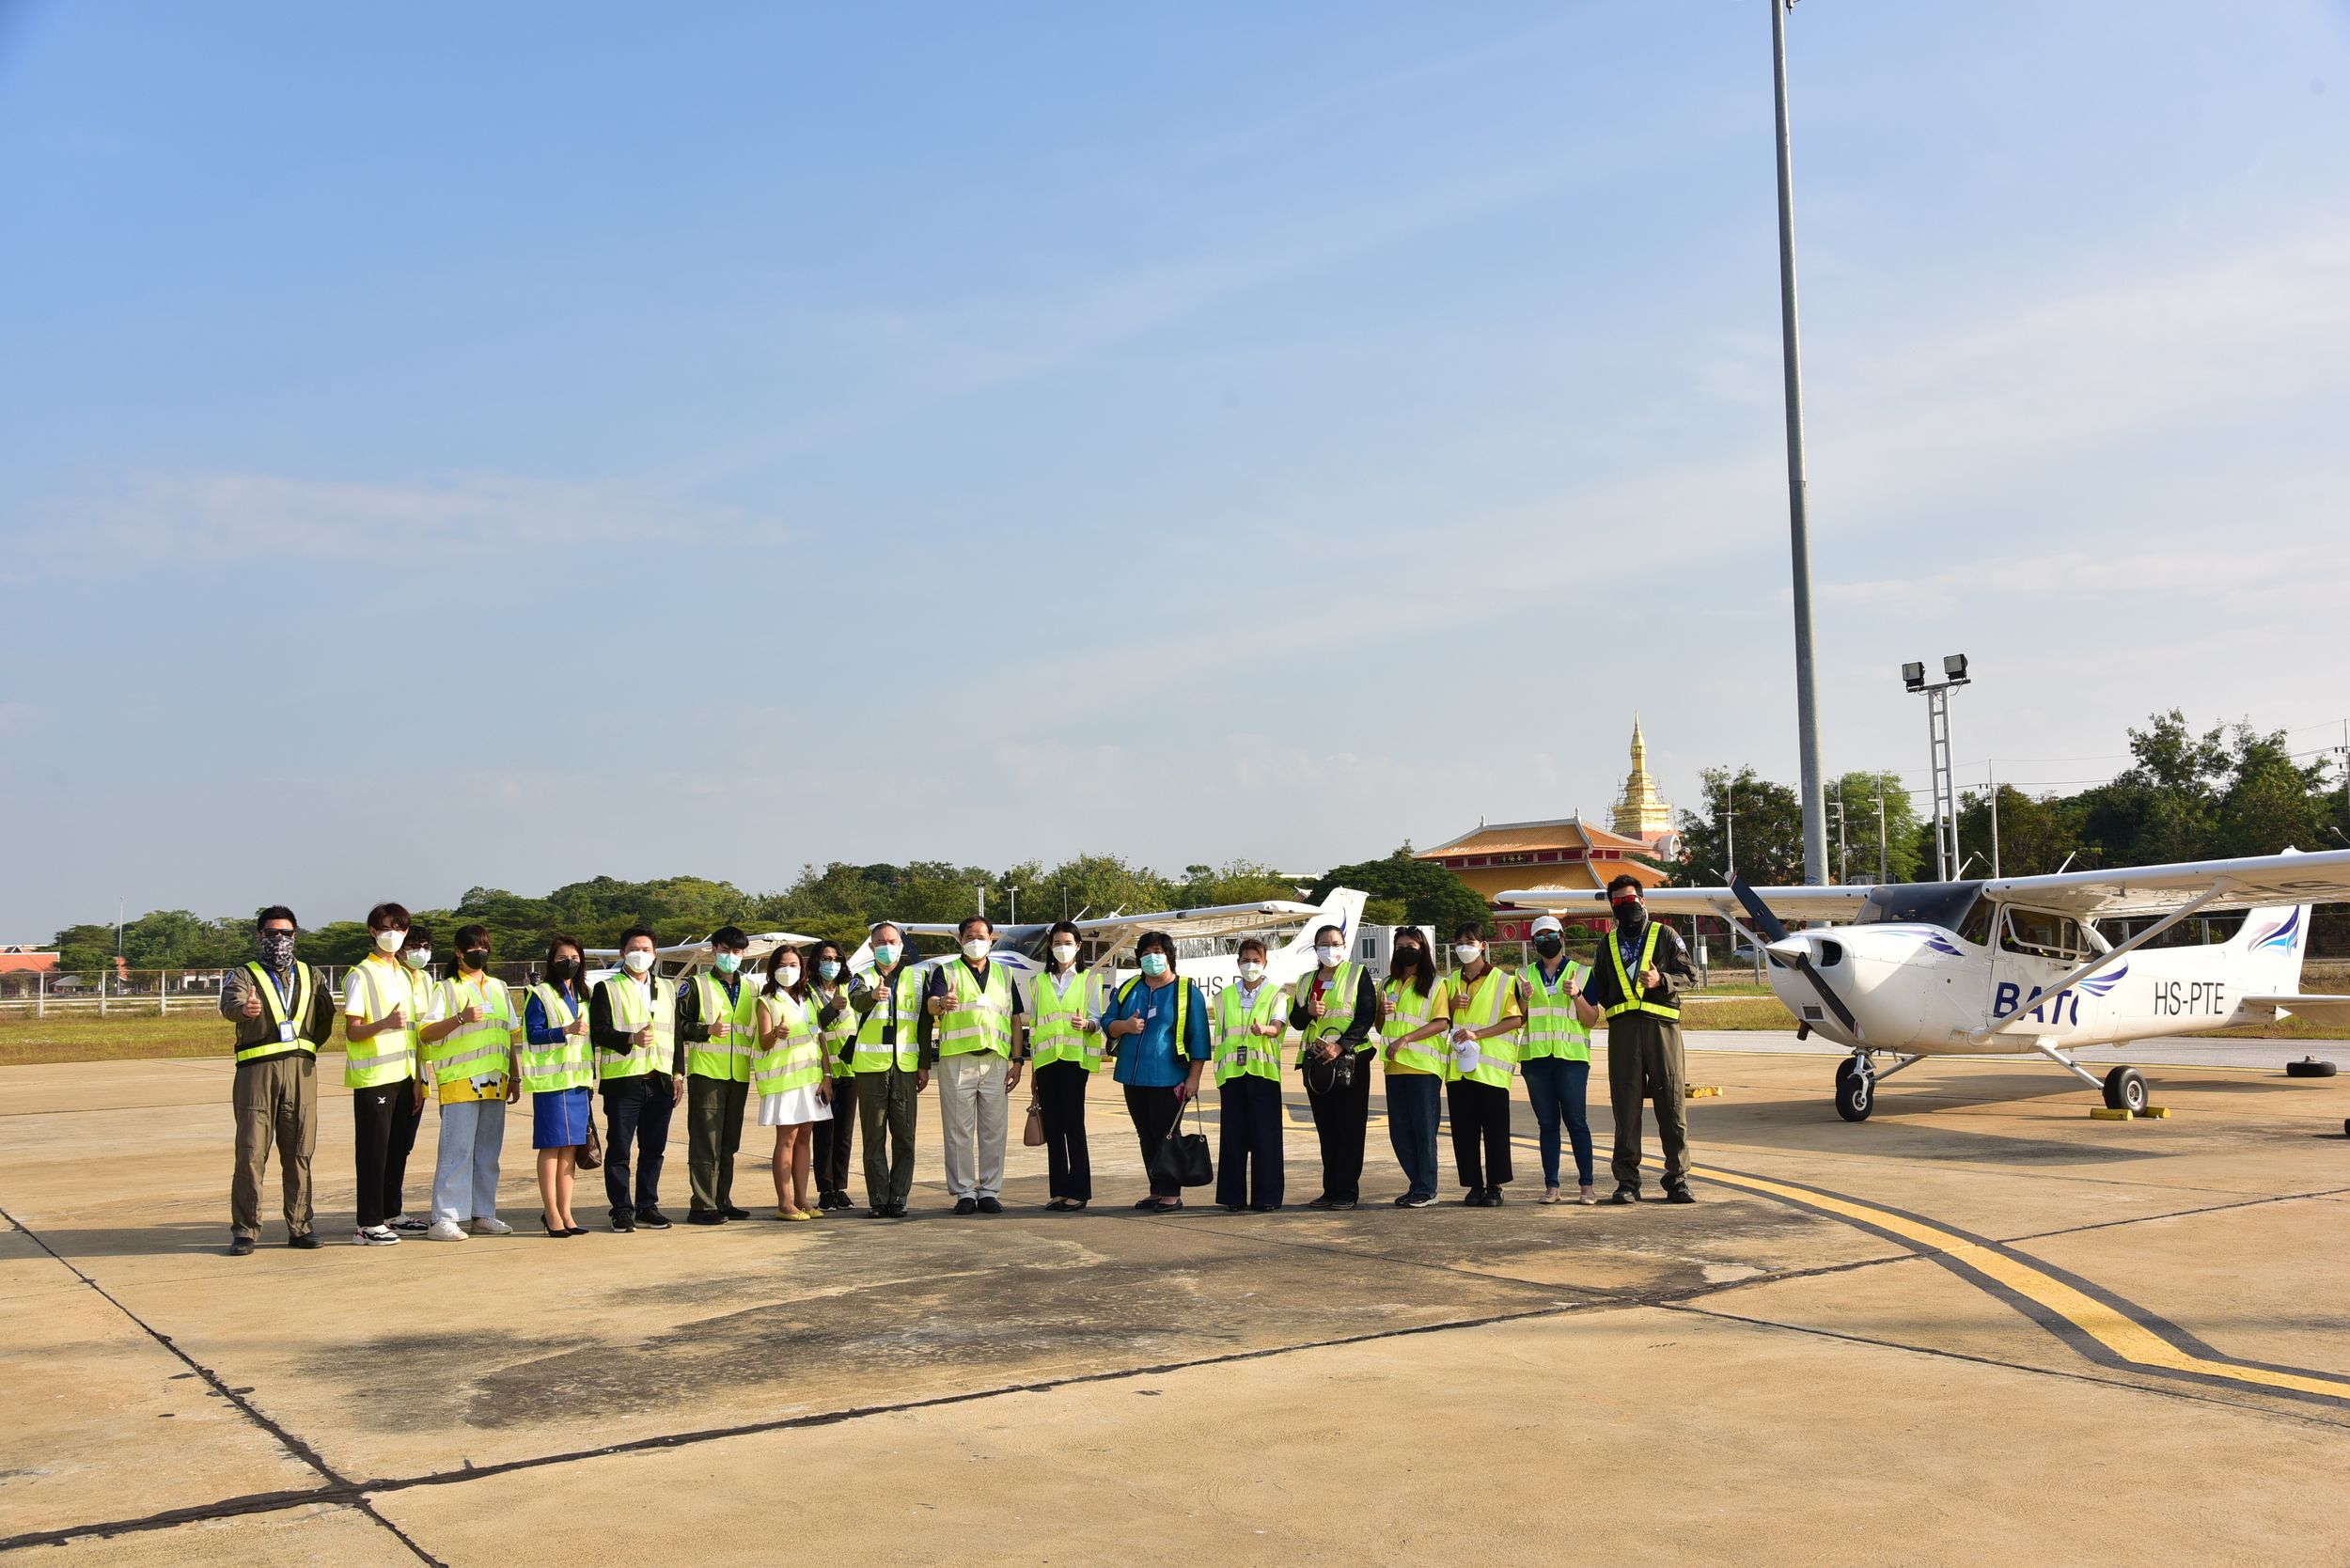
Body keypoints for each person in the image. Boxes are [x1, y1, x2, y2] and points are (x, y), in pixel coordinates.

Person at [219, 905, 335, 1254]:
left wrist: (306, 1050)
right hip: (257, 1073)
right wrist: (245, 1011)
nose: (279, 940)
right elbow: (230, 1006)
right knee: (251, 1151)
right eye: (272, 933)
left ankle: (300, 1226)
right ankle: (246, 1230)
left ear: (295, 935)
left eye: (286, 933)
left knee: (300, 1150)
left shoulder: (312, 975)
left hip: (301, 1072)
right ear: (260, 935)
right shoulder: (244, 975)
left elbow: (325, 1018)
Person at [1581, 875, 1700, 1204]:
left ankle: (1677, 1179)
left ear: (1643, 901)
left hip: (1662, 1029)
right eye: (1618, 902)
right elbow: (1599, 989)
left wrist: (1661, 980)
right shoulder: (1606, 945)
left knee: (1671, 1103)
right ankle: (1627, 1181)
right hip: (1623, 1032)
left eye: (1630, 900)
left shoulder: (1666, 935)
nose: (1625, 907)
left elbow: (1690, 976)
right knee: (1626, 1106)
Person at [415, 924, 519, 1240]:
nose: (480, 953)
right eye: (473, 948)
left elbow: (509, 1035)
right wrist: (460, 1017)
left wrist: (514, 1075)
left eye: (484, 947)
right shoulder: (447, 988)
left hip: (494, 1081)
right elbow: (425, 1033)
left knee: (488, 1152)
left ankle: (482, 1213)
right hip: (460, 1081)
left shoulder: (499, 988)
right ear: (458, 952)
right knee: (456, 1151)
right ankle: (444, 1217)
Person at [923, 915, 1026, 1215]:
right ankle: (964, 1192)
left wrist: (1018, 1060)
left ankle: (990, 1190)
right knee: (959, 1131)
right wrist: (942, 1003)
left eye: (982, 936)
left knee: (994, 1130)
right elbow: (930, 1004)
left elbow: (1015, 1020)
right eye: (970, 936)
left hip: (995, 1060)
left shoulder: (1005, 974)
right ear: (960, 939)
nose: (976, 941)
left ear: (991, 939)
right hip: (958, 1060)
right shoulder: (946, 971)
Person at [1100, 930, 1210, 1212]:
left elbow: (1199, 1038)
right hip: (1132, 1076)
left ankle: (1171, 1192)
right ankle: (1156, 1189)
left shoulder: (1186, 991)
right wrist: (1124, 1026)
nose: (1152, 958)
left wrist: (1194, 1078)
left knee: (1166, 1134)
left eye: (1157, 952)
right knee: (1145, 1134)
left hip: (1169, 1077)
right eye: (1146, 953)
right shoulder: (1129, 988)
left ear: (1169, 956)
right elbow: (1107, 1021)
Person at [341, 902, 429, 1245]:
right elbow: (353, 1031)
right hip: (374, 1077)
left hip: (405, 1075)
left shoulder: (405, 975)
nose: (394, 934)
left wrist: (418, 1080)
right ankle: (368, 1223)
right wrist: (385, 1023)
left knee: (397, 1149)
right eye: (387, 927)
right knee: (373, 1151)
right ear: (372, 931)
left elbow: (414, 1033)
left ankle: (392, 1213)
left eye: (400, 928)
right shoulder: (360, 975)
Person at [591, 927, 683, 1231]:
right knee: (620, 1148)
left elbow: (675, 1034)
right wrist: (630, 1038)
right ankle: (621, 1209)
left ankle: (647, 1205)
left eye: (645, 949)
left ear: (655, 954)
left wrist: (678, 1074)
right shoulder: (607, 988)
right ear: (622, 953)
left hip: (660, 1081)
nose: (639, 954)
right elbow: (599, 1031)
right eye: (633, 949)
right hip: (625, 1081)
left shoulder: (667, 989)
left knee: (653, 1149)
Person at [1288, 924, 1381, 1211]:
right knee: (1326, 1128)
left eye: (1335, 943)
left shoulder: (1357, 974)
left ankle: (1347, 1191)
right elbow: (1296, 1021)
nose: (1331, 949)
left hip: (1350, 1060)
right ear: (1315, 949)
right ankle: (1330, 1189)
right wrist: (1307, 1011)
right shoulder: (1306, 980)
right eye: (1324, 944)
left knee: (1350, 1127)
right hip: (1317, 1062)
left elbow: (1366, 1015)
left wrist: (1341, 1045)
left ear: (1344, 946)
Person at [1520, 915, 1603, 1205]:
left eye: (1551, 935)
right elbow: (1519, 1019)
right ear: (1533, 943)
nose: (1547, 941)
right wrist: (1525, 998)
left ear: (1562, 938)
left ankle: (1587, 1186)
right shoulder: (1523, 976)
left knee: (1576, 1122)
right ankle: (1552, 1186)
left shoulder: (1583, 973)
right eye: (1540, 937)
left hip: (1571, 1059)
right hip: (1536, 1060)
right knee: (1547, 1124)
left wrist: (1577, 995)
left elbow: (1591, 1019)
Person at [678, 926, 757, 1225]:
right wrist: (706, 1030)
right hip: (707, 1074)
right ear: (714, 950)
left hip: (738, 1075)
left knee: (729, 1144)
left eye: (737, 951)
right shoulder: (696, 985)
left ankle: (722, 1200)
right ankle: (702, 1205)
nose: (731, 956)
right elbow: (678, 1026)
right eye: (726, 950)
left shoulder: (751, 988)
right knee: (705, 1143)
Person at [847, 922, 928, 1218]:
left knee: (905, 1136)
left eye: (892, 941)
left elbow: (924, 1023)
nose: (887, 946)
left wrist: (923, 1065)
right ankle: (878, 1199)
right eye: (881, 942)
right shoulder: (861, 978)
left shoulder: (916, 978)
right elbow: (856, 1002)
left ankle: (899, 1197)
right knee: (874, 1136)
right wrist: (872, 996)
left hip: (905, 1066)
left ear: (901, 945)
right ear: (871, 947)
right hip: (871, 1069)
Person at [1442, 922, 1525, 1205]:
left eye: (1470, 941)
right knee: (1463, 1131)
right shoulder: (1450, 982)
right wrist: (1451, 1006)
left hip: (1491, 1069)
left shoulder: (1503, 980)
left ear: (1483, 946)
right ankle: (1474, 1185)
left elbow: (1515, 1020)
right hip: (1459, 1069)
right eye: (1459, 942)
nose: (1464, 947)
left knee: (1495, 1131)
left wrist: (1478, 1034)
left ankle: (1495, 1185)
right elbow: (1440, 1019)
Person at [519, 935, 595, 1237]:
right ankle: (550, 1212)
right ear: (552, 961)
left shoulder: (583, 994)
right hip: (551, 1083)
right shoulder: (540, 994)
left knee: (570, 1148)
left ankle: (566, 1212)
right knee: (552, 1146)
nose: (569, 963)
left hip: (578, 1082)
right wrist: (565, 1030)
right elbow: (533, 1033)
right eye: (563, 958)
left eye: (574, 958)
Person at [1026, 920, 1104, 1211]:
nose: (1062, 948)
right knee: (1054, 1127)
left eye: (1068, 943)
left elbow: (1098, 1019)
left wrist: (1087, 1024)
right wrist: (1034, 1070)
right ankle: (1058, 1190)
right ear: (1050, 947)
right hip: (1047, 1061)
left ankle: (1079, 1190)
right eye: (1057, 943)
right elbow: (1035, 1028)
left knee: (1073, 1125)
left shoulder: (1089, 979)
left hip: (1074, 1060)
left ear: (1078, 946)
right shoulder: (1039, 982)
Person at [753, 946, 832, 1220]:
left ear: (802, 969)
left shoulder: (808, 999)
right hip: (784, 1081)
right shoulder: (767, 1001)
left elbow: (819, 1038)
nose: (788, 970)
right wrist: (776, 1033)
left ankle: (802, 1198)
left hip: (810, 1080)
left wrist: (827, 1076)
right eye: (782, 965)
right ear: (773, 969)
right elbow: (764, 1041)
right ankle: (784, 1202)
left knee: (805, 1138)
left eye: (794, 965)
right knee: (787, 1138)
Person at [1376, 930, 1452, 1210]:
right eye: (1400, 946)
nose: (1405, 950)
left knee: (1423, 1131)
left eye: (1411, 945)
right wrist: (1382, 1012)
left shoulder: (1435, 983)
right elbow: (1380, 1027)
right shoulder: (1388, 983)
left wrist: (1406, 1039)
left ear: (1423, 949)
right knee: (1400, 1132)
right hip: (1394, 1067)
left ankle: (1427, 1188)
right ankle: (1416, 1184)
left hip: (1423, 1067)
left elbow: (1441, 1022)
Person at [1211, 937, 1288, 1213]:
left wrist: (1265, 1030)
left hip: (1263, 1073)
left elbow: (1278, 1025)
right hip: (1232, 1074)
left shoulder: (1277, 996)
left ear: (1265, 963)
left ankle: (1267, 1197)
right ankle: (1233, 1197)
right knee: (1233, 1137)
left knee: (1266, 1138)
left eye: (1256, 961)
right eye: (1246, 960)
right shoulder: (1223, 997)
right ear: (1238, 963)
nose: (1251, 965)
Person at [808, 941, 861, 1211]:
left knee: (844, 1134)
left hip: (849, 1071)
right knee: (824, 1134)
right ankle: (825, 1189)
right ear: (816, 961)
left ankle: (840, 1187)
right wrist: (832, 1009)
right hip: (822, 1072)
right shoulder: (807, 991)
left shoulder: (850, 987)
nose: (831, 963)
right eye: (826, 958)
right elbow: (811, 1026)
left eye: (836, 958)